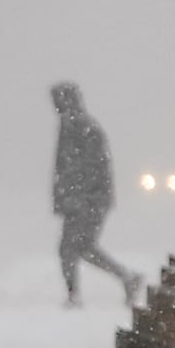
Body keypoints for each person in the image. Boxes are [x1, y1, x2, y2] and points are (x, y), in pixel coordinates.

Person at [49, 83, 142, 310]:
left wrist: (79, 196)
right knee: (81, 247)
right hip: (85, 199)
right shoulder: (74, 125)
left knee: (72, 248)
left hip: (87, 200)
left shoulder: (82, 127)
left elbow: (90, 167)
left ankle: (76, 295)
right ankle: (126, 278)